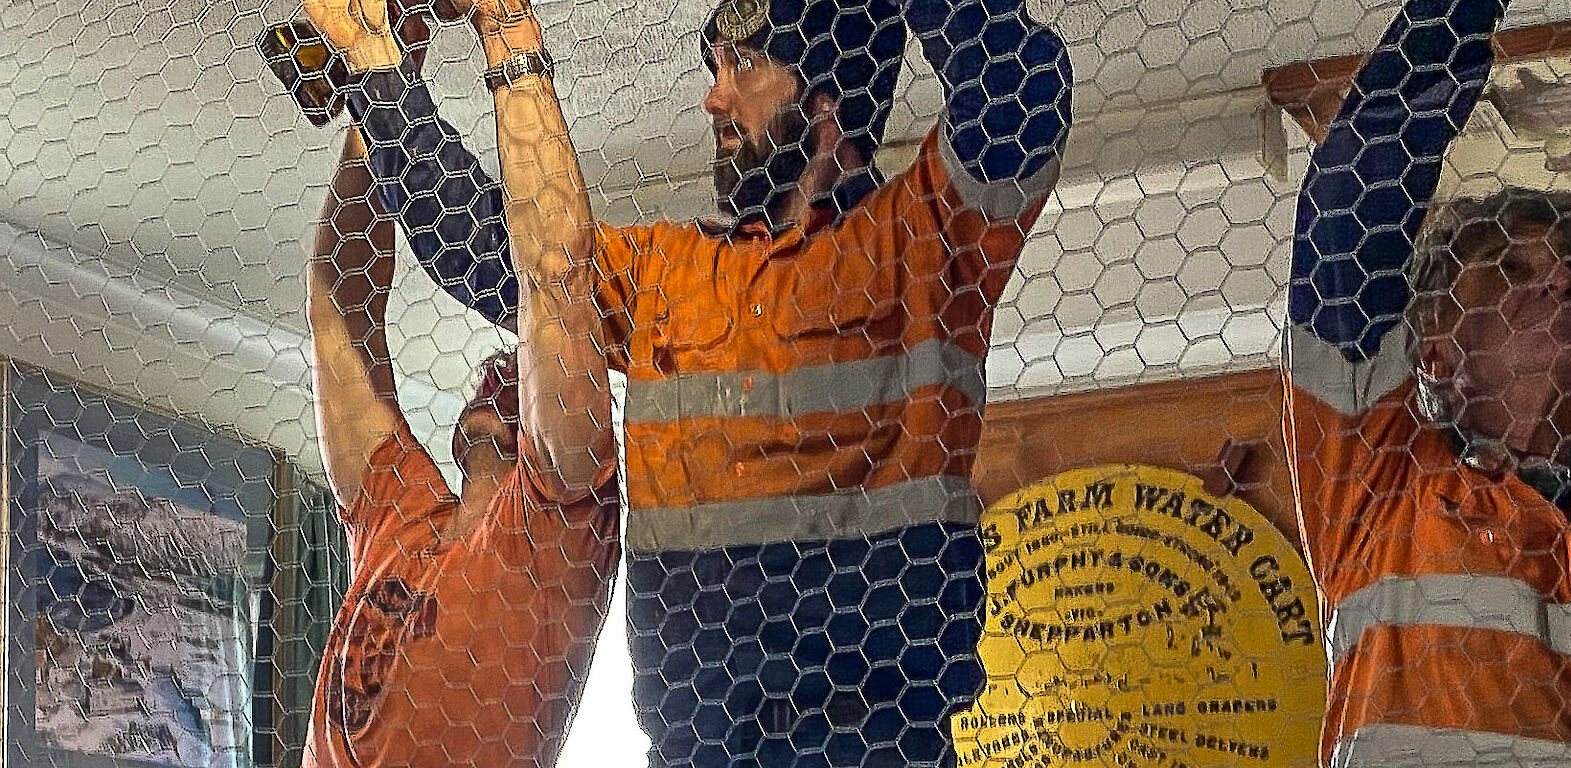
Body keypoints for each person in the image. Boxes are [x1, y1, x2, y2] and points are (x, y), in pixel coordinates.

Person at [301, 0, 1072, 761]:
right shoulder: (670, 275)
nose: (715, 96)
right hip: (692, 750)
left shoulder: (925, 236)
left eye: (744, 64)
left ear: (827, 93)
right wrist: (381, 77)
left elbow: (1022, 89)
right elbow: (485, 249)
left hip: (876, 746)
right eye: (715, 68)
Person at [1278, 0, 1571, 764]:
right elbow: (1352, 198)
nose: (1560, 278)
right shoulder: (1377, 491)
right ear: (1435, 352)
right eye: (1511, 269)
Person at [299, 1, 620, 754]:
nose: (500, 367)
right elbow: (339, 301)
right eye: (500, 365)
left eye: (520, 367)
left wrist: (504, 27)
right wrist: (388, 62)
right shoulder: (404, 524)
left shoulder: (559, 536)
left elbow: (556, 287)